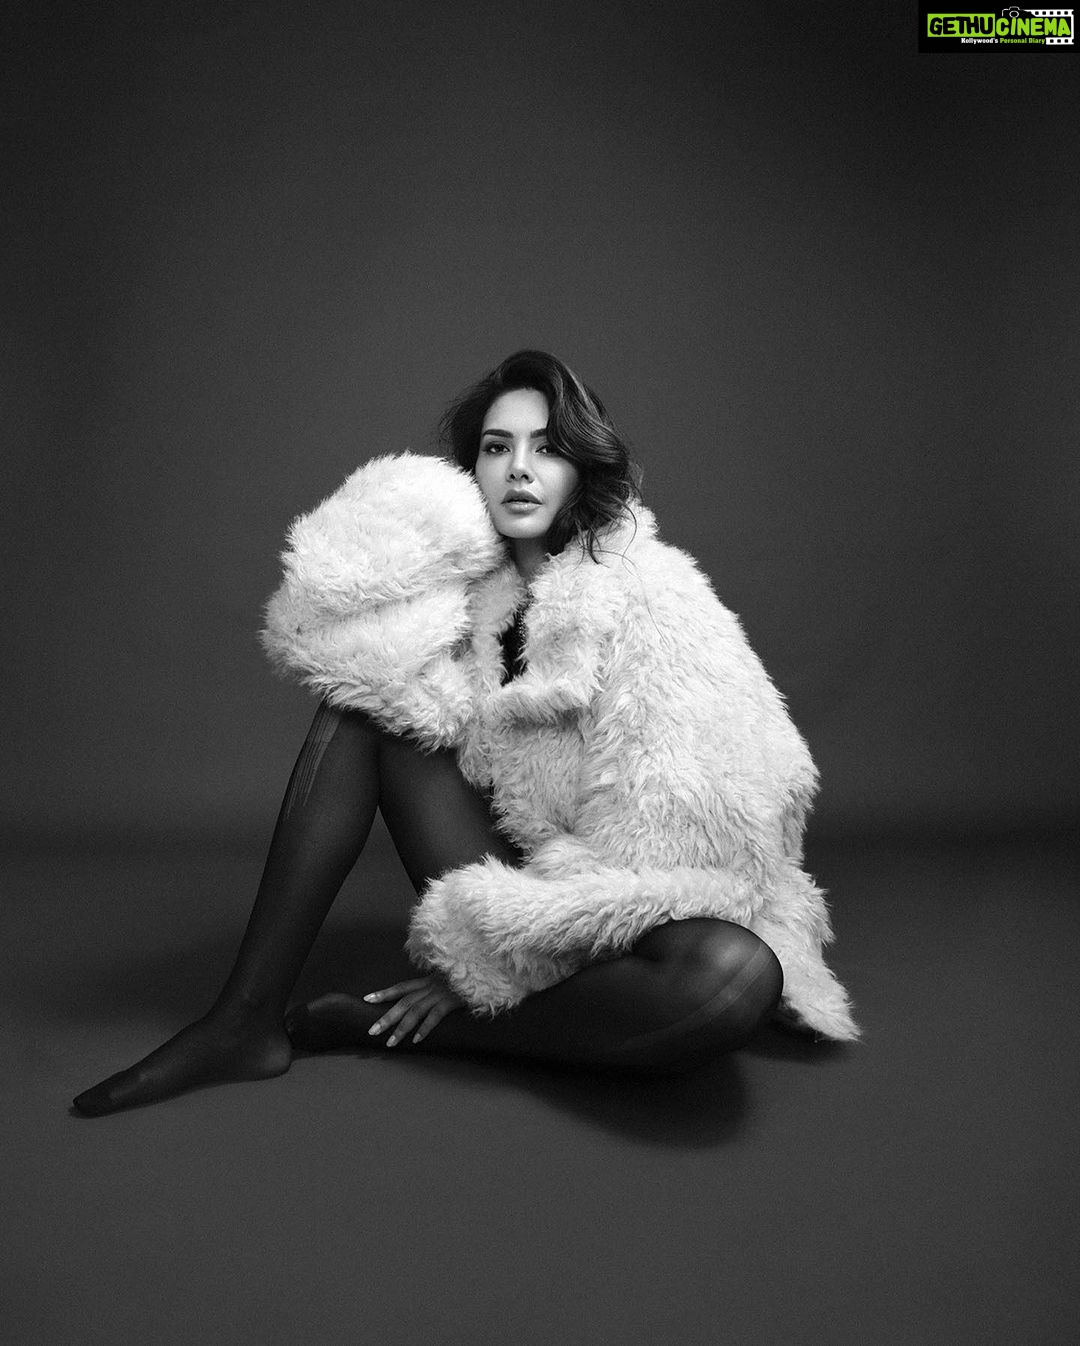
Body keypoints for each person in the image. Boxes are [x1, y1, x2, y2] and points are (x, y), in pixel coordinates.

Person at [72, 350, 856, 1117]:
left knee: (733, 977)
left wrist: (516, 958)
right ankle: (243, 1019)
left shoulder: (654, 596)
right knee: (365, 695)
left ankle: (443, 1030)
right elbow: (326, 634)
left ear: (582, 468)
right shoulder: (472, 600)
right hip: (529, 873)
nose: (520, 470)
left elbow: (697, 840)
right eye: (496, 448)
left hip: (644, 900)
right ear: (471, 470)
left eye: (547, 449)